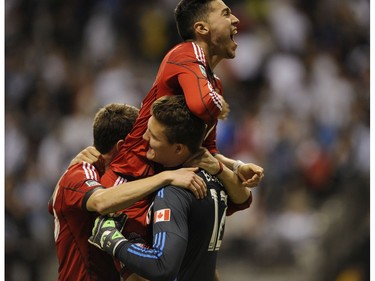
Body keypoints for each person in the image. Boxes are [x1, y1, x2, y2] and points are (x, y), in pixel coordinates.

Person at [100, 0, 264, 262]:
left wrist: (235, 165)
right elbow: (203, 104)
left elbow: (205, 151)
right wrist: (218, 104)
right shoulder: (186, 53)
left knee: (236, 201)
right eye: (226, 14)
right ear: (202, 28)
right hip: (131, 182)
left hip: (167, 184)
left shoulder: (214, 84)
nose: (236, 20)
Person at [89, 95, 253, 281]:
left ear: (178, 149)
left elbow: (160, 267)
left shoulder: (175, 189)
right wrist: (226, 168)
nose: (144, 138)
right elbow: (244, 199)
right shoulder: (207, 176)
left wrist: (112, 241)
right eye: (146, 129)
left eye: (154, 136)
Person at [48, 103, 208, 281]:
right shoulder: (79, 173)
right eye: (141, 141)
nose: (147, 143)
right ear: (123, 146)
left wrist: (233, 168)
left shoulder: (126, 181)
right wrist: (166, 177)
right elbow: (101, 202)